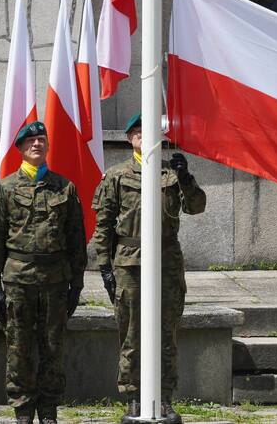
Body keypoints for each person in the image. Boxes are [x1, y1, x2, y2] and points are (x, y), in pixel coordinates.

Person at [90, 113, 207, 424]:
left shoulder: (170, 174)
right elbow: (102, 227)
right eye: (138, 132)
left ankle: (165, 398)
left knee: (166, 333)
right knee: (131, 333)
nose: (144, 136)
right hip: (129, 261)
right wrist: (104, 266)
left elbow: (197, 206)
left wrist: (186, 178)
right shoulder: (116, 176)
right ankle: (133, 397)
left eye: (149, 131)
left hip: (166, 260)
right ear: (130, 139)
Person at [0, 121, 87, 424]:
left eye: (42, 140)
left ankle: (49, 410)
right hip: (18, 281)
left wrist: (77, 284)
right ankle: (23, 411)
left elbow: (76, 238)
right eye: (31, 142)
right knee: (19, 348)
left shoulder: (64, 187)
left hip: (55, 281)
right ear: (20, 149)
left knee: (53, 347)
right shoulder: (5, 189)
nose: (37, 145)